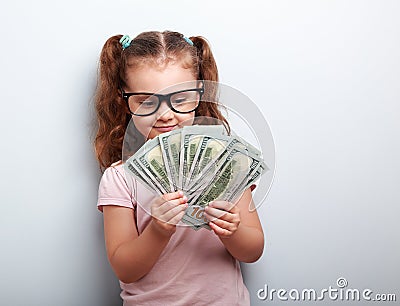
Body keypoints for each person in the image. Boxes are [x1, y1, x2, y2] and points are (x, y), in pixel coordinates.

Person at [94, 30, 264, 306]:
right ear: (124, 100)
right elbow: (125, 268)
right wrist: (158, 230)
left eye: (181, 98)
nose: (165, 115)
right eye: (146, 101)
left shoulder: (224, 161)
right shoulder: (119, 177)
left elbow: (253, 250)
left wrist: (232, 232)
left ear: (199, 94)